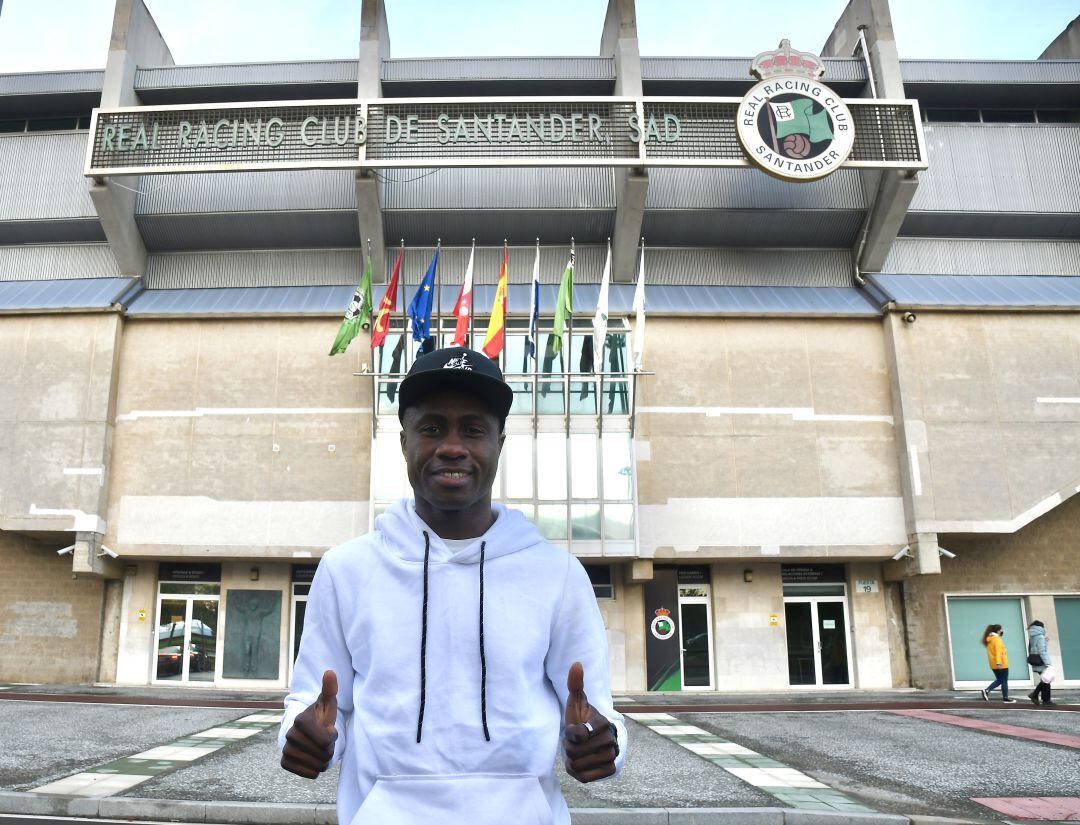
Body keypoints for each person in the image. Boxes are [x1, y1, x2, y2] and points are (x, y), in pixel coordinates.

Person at [278, 346, 626, 825]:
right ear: (404, 442)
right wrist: (305, 737)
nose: (452, 446)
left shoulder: (557, 574)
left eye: (474, 429)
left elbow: (595, 711)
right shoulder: (346, 569)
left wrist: (603, 745)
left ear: (499, 443)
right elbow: (313, 701)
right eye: (432, 428)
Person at [980, 624, 1016, 703]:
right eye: (1001, 629)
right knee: (1003, 680)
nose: (1002, 631)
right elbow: (998, 652)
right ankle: (988, 690)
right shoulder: (997, 639)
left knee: (1001, 680)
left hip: (993, 663)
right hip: (1001, 663)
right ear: (998, 630)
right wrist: (999, 662)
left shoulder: (990, 639)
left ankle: (1005, 697)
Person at [1027, 620, 1054, 706]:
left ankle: (1038, 696)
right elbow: (1042, 651)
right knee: (1046, 680)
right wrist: (1048, 663)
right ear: (1041, 627)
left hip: (1035, 660)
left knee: (1045, 680)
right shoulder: (1040, 637)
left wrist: (1045, 641)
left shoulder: (1032, 637)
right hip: (1041, 662)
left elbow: (1034, 648)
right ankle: (1044, 700)